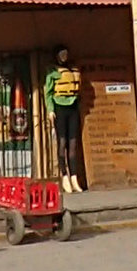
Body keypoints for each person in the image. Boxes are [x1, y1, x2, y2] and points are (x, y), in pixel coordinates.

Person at [42, 51, 85, 191]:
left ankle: (74, 176)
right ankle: (64, 175)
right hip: (59, 107)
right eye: (61, 54)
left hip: (73, 107)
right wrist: (50, 110)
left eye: (66, 54)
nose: (64, 57)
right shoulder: (53, 72)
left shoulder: (73, 69)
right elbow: (48, 92)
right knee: (62, 142)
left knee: (73, 143)